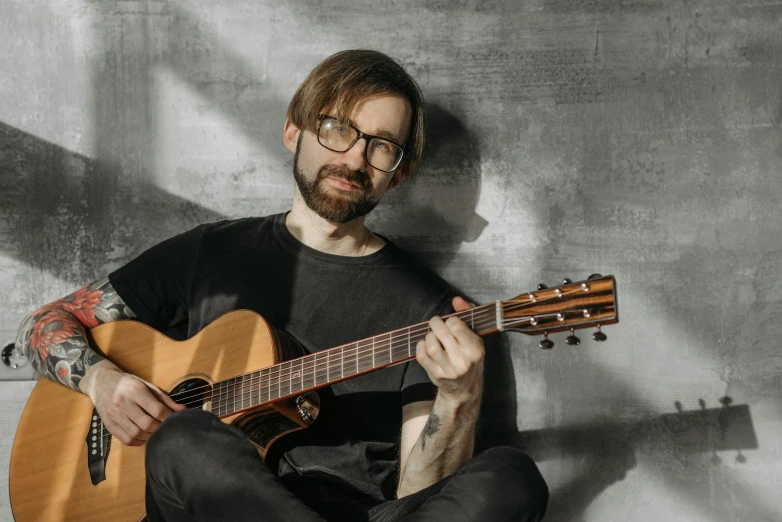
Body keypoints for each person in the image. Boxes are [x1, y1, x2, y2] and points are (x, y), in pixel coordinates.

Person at [16, 49, 548, 521]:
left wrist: (458, 398)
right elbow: (41, 327)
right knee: (184, 437)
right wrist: (104, 383)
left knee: (511, 476)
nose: (355, 159)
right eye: (338, 128)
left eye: (382, 145)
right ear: (293, 130)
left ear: (399, 172)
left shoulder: (429, 310)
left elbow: (419, 493)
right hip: (213, 506)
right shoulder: (212, 252)